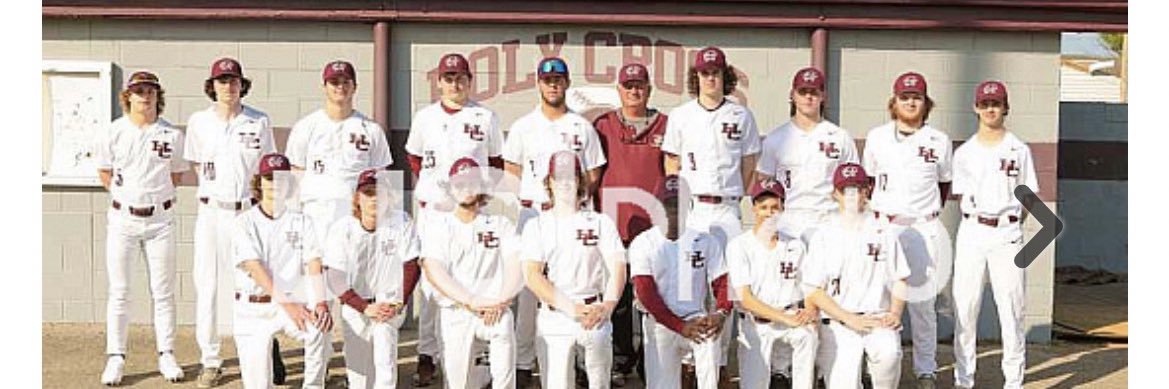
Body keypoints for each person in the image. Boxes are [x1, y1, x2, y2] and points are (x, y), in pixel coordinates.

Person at [502, 57, 607, 386]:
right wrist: (530, 198)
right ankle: (523, 363)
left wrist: (572, 200)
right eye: (547, 80)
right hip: (534, 211)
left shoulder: (582, 127)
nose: (553, 85)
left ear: (566, 83)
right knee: (529, 290)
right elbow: (511, 169)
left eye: (558, 79)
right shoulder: (523, 126)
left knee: (571, 280)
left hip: (572, 214)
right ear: (538, 83)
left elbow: (593, 172)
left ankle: (573, 359)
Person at [661, 45, 760, 384]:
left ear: (725, 75)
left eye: (716, 71)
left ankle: (717, 362)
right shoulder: (681, 115)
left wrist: (735, 196)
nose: (710, 77)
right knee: (689, 283)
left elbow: (749, 164)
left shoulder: (741, 115)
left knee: (726, 285)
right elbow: (671, 163)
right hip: (694, 208)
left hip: (727, 206)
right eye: (704, 72)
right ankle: (691, 359)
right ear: (696, 77)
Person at [405, 53, 506, 386]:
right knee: (432, 283)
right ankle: (427, 354)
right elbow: (415, 159)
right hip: (435, 208)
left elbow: (494, 163)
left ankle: (473, 355)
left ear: (469, 80)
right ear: (439, 81)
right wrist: (438, 193)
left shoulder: (485, 116)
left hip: (470, 208)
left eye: (460, 77)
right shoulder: (425, 117)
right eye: (448, 77)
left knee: (473, 276)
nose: (455, 83)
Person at [184, 57, 277, 388]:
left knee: (250, 285)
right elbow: (196, 165)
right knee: (208, 285)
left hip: (247, 212)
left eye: (234, 80)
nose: (228, 86)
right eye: (222, 81)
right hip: (212, 212)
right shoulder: (199, 121)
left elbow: (268, 170)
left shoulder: (259, 120)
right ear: (212, 86)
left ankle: (257, 353)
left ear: (242, 84)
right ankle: (210, 360)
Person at [95, 70, 189, 386]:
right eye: (138, 91)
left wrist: (153, 197)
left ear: (157, 96)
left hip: (160, 221)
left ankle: (166, 353)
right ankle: (116, 357)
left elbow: (176, 175)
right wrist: (126, 198)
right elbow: (105, 171)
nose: (144, 96)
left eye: (150, 91)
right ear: (128, 96)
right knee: (120, 292)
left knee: (163, 292)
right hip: (123, 220)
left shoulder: (172, 134)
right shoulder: (114, 131)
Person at [861, 72, 953, 388]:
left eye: (916, 97)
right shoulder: (876, 137)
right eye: (904, 96)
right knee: (879, 300)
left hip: (922, 227)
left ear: (925, 103)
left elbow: (944, 186)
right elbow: (869, 182)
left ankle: (925, 370)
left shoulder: (939, 140)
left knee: (923, 305)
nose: (910, 101)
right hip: (885, 225)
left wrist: (922, 215)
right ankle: (879, 369)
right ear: (894, 101)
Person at [950, 80, 1037, 389]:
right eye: (985, 103)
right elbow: (960, 196)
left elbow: (1028, 200)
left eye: (996, 103)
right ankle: (964, 380)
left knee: (1011, 309)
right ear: (976, 107)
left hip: (1007, 233)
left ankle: (1013, 382)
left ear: (1005, 108)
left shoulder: (1019, 149)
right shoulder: (964, 153)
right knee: (966, 307)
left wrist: (1010, 224)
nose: (990, 109)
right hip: (973, 231)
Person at [522, 150, 626, 389]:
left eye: (571, 177)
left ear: (580, 180)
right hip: (557, 314)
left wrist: (607, 306)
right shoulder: (537, 225)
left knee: (599, 383)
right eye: (559, 177)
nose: (565, 183)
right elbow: (533, 275)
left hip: (596, 310)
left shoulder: (600, 221)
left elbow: (617, 266)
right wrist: (572, 308)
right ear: (549, 181)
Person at [592, 62, 669, 384]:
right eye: (628, 85)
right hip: (615, 223)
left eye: (639, 85)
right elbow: (594, 172)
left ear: (649, 89)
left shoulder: (666, 124)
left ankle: (654, 361)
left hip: (654, 227)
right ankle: (622, 360)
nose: (634, 90)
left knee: (654, 296)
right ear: (619, 90)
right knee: (619, 299)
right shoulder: (603, 125)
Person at [231, 153, 333, 389]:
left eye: (281, 179)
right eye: (269, 178)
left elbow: (314, 262)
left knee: (319, 328)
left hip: (288, 305)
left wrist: (319, 303)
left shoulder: (302, 221)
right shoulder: (244, 222)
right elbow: (254, 268)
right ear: (260, 182)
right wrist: (290, 305)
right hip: (252, 309)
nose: (274, 185)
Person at [803, 163, 908, 389]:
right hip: (839, 321)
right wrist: (848, 318)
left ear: (867, 191)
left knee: (889, 354)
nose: (853, 196)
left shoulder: (883, 230)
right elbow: (813, 290)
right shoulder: (824, 233)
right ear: (835, 195)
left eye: (858, 189)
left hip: (876, 317)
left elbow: (900, 277)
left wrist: (896, 312)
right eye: (846, 190)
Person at [422, 158, 523, 389]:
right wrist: (471, 301)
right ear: (450, 188)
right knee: (458, 383)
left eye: (472, 183)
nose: (466, 189)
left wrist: (500, 300)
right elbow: (435, 271)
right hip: (456, 311)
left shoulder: (499, 224)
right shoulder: (440, 226)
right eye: (459, 184)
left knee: (504, 329)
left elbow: (516, 265)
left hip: (494, 311)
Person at [628, 175, 732, 389]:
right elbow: (646, 293)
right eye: (668, 204)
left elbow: (723, 283)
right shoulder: (644, 243)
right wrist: (678, 325)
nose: (674, 210)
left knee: (710, 340)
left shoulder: (705, 241)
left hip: (695, 318)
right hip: (660, 323)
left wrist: (720, 313)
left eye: (679, 203)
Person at [324, 169, 422, 388]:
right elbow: (334, 276)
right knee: (358, 373)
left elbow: (412, 264)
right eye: (368, 193)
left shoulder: (402, 221)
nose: (374, 198)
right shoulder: (342, 228)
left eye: (380, 192)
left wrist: (398, 301)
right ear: (357, 198)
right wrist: (363, 307)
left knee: (384, 357)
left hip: (389, 301)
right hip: (355, 303)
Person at [727, 179, 818, 389]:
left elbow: (810, 287)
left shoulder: (795, 244)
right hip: (757, 323)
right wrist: (784, 318)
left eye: (775, 207)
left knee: (808, 335)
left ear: (782, 209)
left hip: (790, 318)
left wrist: (809, 311)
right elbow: (745, 298)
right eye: (763, 207)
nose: (769, 213)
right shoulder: (739, 246)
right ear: (754, 208)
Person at [755, 66, 858, 243]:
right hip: (788, 220)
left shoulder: (840, 137)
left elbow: (852, 187)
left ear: (823, 96)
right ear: (792, 95)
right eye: (803, 92)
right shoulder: (776, 138)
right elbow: (764, 186)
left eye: (814, 92)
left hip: (828, 220)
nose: (809, 97)